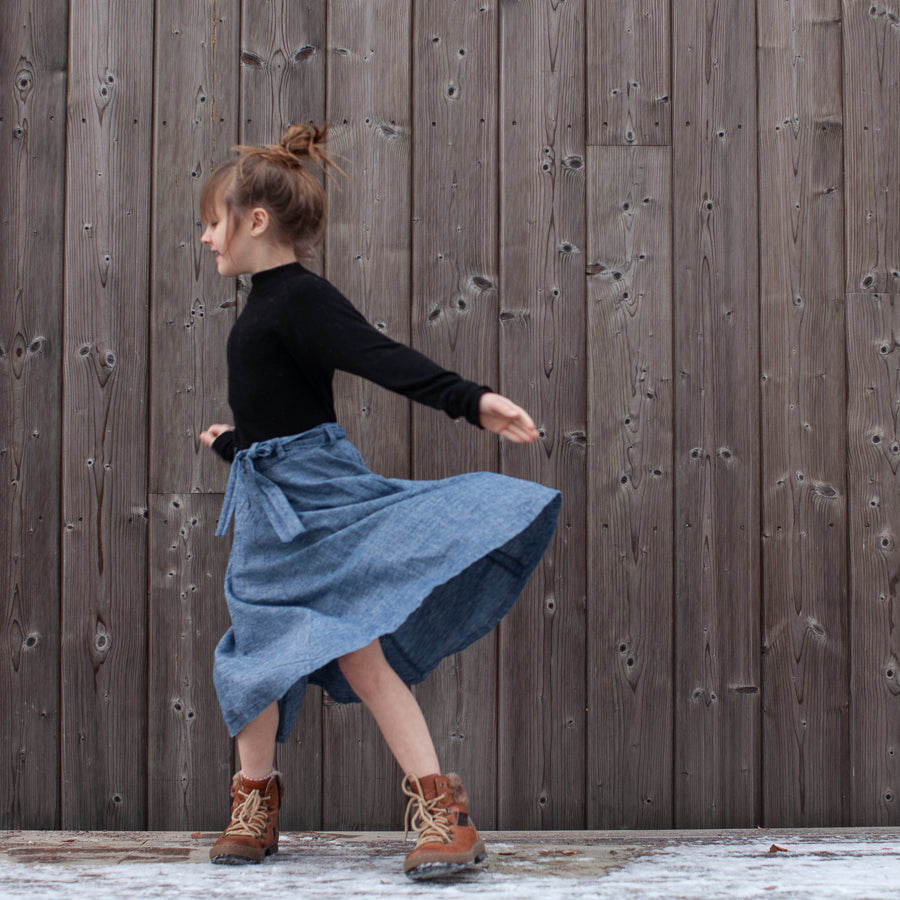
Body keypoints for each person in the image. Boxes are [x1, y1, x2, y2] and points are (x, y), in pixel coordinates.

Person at [197, 123, 561, 880]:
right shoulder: (261, 305)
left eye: (212, 222)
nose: (206, 239)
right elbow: (280, 415)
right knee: (255, 656)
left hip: (320, 500)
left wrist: (473, 400)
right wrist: (234, 444)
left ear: (254, 221)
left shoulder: (301, 298)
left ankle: (442, 813)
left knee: (360, 649)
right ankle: (254, 803)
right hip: (272, 507)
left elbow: (377, 358)